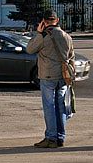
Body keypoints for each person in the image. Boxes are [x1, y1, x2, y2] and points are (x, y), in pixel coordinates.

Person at [26, 10, 75, 148]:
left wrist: (38, 33)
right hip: (63, 77)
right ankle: (61, 137)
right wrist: (71, 76)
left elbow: (29, 49)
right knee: (61, 108)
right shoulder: (67, 37)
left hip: (48, 76)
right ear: (57, 20)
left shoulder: (44, 36)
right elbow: (71, 57)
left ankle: (51, 138)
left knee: (49, 107)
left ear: (44, 22)